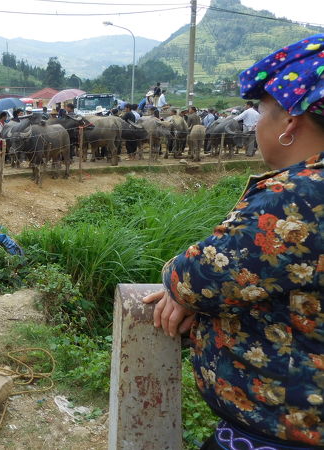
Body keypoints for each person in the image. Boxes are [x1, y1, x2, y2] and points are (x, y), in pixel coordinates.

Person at [143, 34, 324, 450]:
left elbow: (198, 276)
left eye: (263, 111)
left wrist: (179, 284)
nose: (258, 122)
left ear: (290, 122)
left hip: (282, 431)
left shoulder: (297, 197)